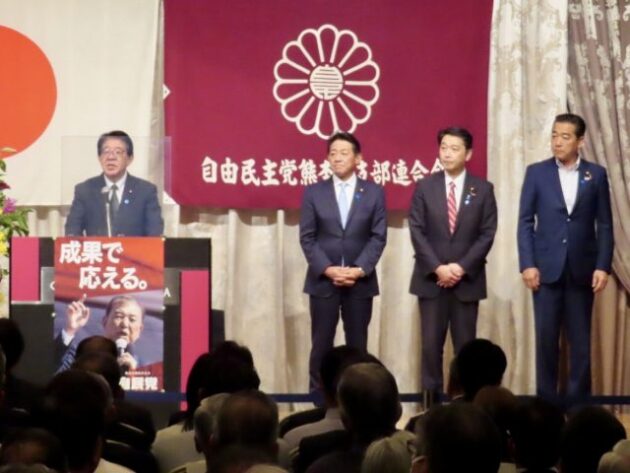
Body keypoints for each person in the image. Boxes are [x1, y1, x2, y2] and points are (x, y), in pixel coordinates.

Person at [517, 113, 613, 401]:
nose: (557, 142)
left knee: (580, 345)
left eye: (565, 136)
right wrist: (528, 264)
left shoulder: (596, 175)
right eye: (554, 135)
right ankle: (546, 407)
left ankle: (578, 407)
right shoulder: (537, 172)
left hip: (582, 270)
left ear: (580, 141)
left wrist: (603, 266)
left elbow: (605, 224)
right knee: (546, 342)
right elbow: (525, 222)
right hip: (545, 270)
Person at [409, 127, 497, 404]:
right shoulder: (425, 186)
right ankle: (430, 408)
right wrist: (438, 268)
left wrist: (460, 268)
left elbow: (487, 233)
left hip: (466, 282)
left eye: (454, 148)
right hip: (431, 280)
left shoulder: (483, 189)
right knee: (430, 348)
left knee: (466, 350)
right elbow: (417, 230)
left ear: (468, 154)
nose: (447, 153)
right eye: (443, 147)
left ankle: (466, 406)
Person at [299, 131, 387, 395]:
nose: (337, 158)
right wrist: (328, 269)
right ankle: (319, 399)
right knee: (321, 345)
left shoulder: (373, 192)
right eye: (333, 153)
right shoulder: (314, 192)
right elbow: (307, 237)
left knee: (358, 346)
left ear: (358, 158)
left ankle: (359, 397)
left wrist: (358, 270)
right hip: (323, 282)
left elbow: (378, 236)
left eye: (343, 153)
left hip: (360, 283)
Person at [65, 130, 163, 236]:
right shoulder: (85, 190)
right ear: (99, 158)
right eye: (106, 151)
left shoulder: (145, 191)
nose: (111, 157)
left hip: (134, 248)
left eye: (118, 152)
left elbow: (155, 233)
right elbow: (72, 231)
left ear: (130, 159)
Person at [55, 295, 147, 372]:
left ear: (140, 329)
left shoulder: (146, 368)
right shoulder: (82, 356)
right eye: (119, 316)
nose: (125, 324)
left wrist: (135, 376)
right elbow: (53, 371)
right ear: (104, 322)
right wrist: (70, 329)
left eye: (132, 319)